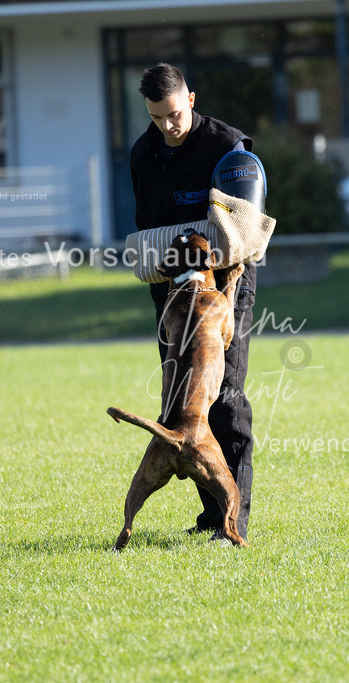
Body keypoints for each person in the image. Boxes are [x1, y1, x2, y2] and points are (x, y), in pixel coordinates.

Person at [128, 63, 256, 541]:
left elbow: (246, 225)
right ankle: (209, 515)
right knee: (181, 405)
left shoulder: (227, 147)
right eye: (158, 117)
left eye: (175, 114)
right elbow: (146, 226)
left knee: (224, 397)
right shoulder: (144, 154)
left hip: (225, 281)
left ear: (192, 99)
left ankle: (232, 522)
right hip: (171, 290)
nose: (168, 126)